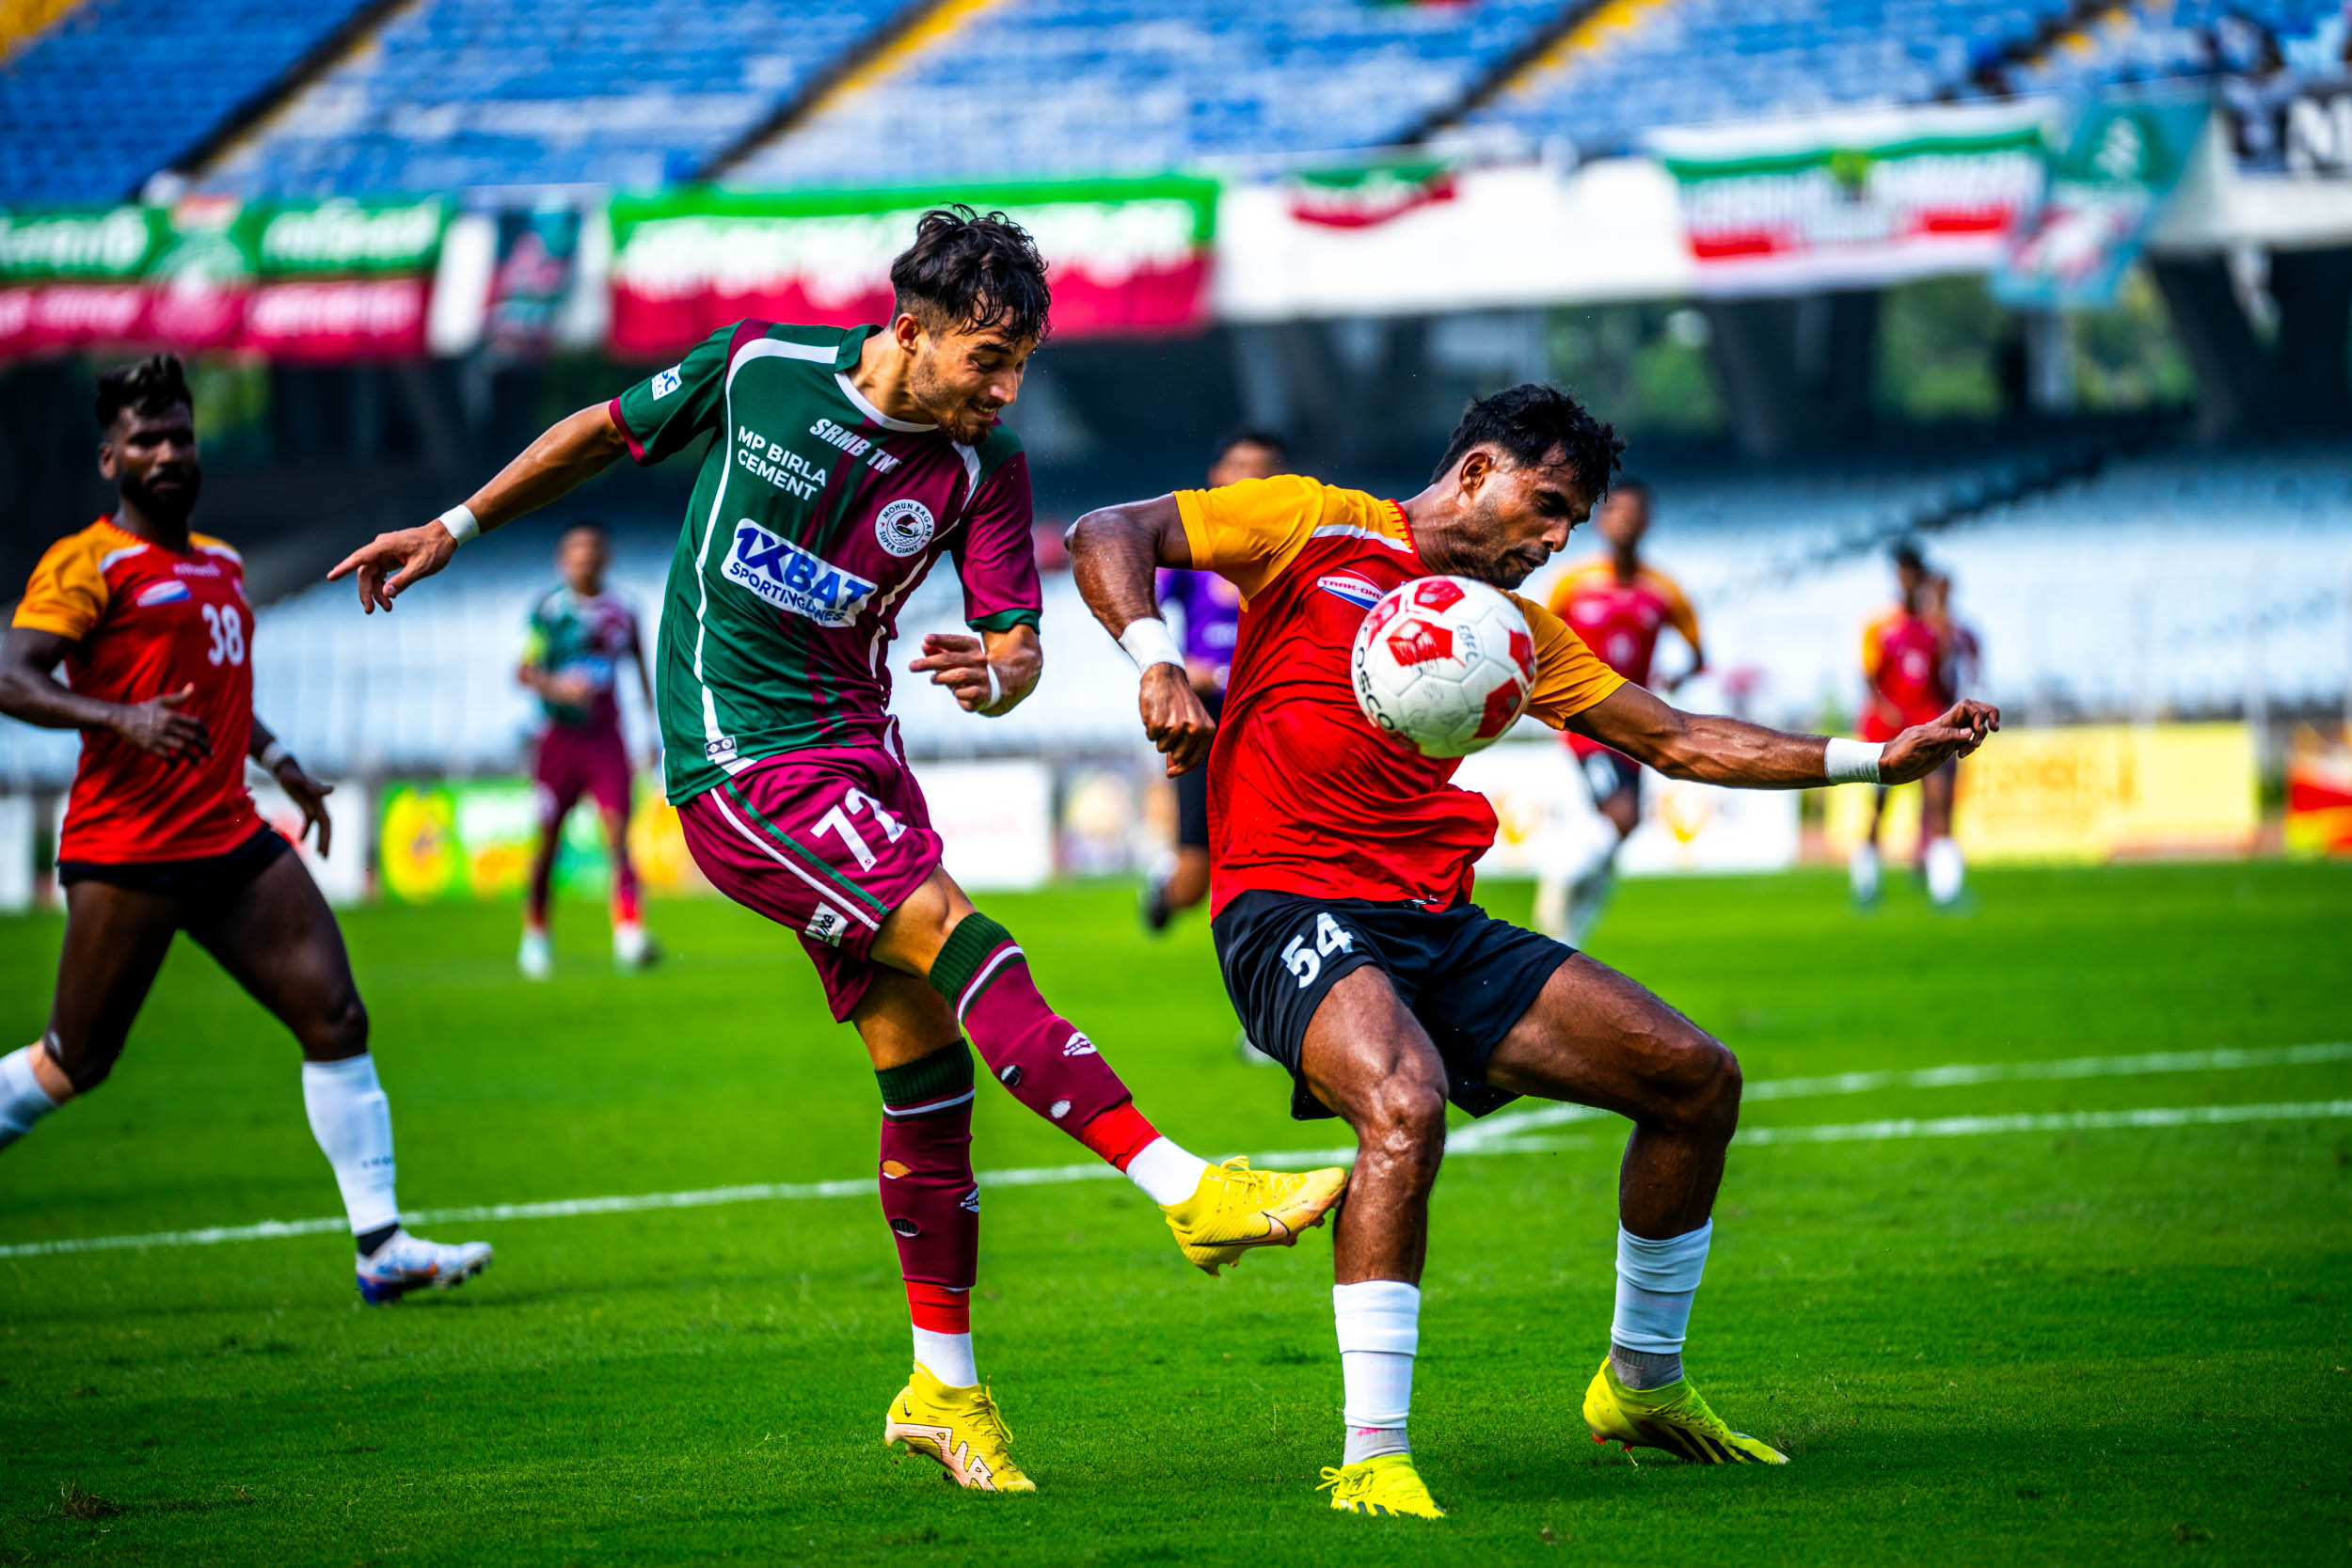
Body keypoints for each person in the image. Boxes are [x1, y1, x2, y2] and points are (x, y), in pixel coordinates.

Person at [326, 208, 1347, 1493]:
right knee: (969, 938)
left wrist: (1002, 673)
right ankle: (1183, 1181)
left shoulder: (988, 467)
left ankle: (945, 1389)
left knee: (925, 1071)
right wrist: (455, 525)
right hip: (740, 759)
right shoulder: (760, 370)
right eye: (988, 359)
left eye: (1022, 362)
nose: (1006, 387)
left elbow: (1017, 640)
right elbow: (602, 431)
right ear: (909, 331)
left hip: (861, 761)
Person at [1068, 384, 1997, 1520]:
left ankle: (1639, 1385)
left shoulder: (1515, 635)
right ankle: (1372, 1451)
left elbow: (1679, 738)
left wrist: (1870, 759)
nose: (1558, 540)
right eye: (1547, 505)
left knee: (1693, 1078)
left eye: (1569, 521)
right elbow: (1107, 531)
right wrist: (1154, 657)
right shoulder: (1312, 522)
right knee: (1401, 1102)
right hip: (1281, 903)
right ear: (1475, 473)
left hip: (1433, 921)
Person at [0, 354, 492, 1304]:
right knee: (76, 1059)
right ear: (111, 459)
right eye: (146, 439)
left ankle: (380, 1244)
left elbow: (222, 689)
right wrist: (120, 718)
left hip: (229, 836)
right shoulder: (86, 561)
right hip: (128, 846)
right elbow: (14, 675)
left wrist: (281, 762)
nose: (169, 452)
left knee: (336, 1015)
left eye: (180, 434)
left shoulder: (220, 564)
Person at [1532, 478, 1704, 945]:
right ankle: (1559, 878)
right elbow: (1535, 642)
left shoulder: (1664, 591)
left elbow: (1697, 653)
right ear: (1601, 520)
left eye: (1634, 513)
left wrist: (1674, 679)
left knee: (1618, 833)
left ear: (1647, 522)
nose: (1625, 521)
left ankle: (1567, 940)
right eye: (1617, 512)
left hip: (1636, 728)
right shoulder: (1572, 584)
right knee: (1622, 816)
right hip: (1585, 722)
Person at [1142, 428, 1284, 934]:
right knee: (1191, 881)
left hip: (1274, 720)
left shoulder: (1295, 554)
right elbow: (1139, 611)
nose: (1251, 479)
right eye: (1240, 468)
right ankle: (1164, 886)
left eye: (1264, 470)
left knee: (1282, 866)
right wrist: (1173, 665)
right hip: (1206, 718)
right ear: (1217, 479)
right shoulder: (1192, 553)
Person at [516, 523, 656, 977]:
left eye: (593, 549)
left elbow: (640, 670)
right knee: (549, 840)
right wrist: (558, 687)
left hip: (606, 737)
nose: (585, 558)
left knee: (618, 834)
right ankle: (536, 933)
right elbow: (524, 671)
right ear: (563, 559)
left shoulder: (623, 611)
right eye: (576, 550)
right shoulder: (547, 610)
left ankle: (629, 933)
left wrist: (652, 732)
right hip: (558, 740)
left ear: (605, 557)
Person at [1853, 544, 1964, 907]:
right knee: (1880, 804)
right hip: (1890, 726)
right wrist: (1886, 711)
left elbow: (1947, 674)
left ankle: (1945, 890)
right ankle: (1866, 882)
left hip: (1928, 720)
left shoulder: (1937, 626)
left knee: (1938, 802)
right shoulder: (1880, 623)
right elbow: (1869, 676)